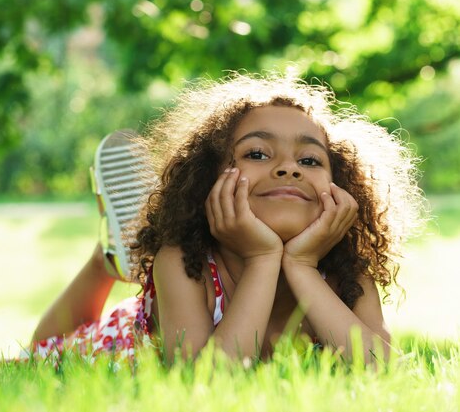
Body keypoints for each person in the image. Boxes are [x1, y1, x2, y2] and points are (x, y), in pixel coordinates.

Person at [27, 73, 425, 365]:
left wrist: (301, 265)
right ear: (208, 180)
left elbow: (380, 369)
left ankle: (120, 248)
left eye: (309, 160)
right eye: (257, 153)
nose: (289, 169)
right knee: (48, 352)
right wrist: (263, 259)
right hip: (127, 344)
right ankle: (108, 259)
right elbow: (206, 383)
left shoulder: (347, 271)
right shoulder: (183, 263)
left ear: (341, 191)